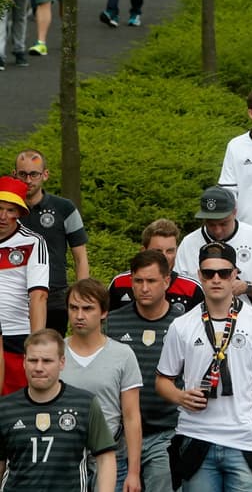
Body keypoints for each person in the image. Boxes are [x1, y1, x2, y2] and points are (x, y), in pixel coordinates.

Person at [155, 242, 252, 491]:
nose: (216, 279)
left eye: (224, 273)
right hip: (196, 436)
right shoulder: (181, 325)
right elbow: (162, 380)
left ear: (235, 274)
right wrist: (181, 396)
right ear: (199, 276)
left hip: (244, 438)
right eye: (208, 273)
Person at [104, 249, 184, 492]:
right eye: (138, 281)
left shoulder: (185, 325)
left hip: (166, 433)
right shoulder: (112, 323)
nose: (144, 288)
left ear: (166, 281)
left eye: (151, 281)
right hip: (119, 436)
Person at [0, 330, 117, 492]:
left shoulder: (84, 404)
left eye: (47, 361)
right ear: (24, 362)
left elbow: (105, 457)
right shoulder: (5, 408)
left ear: (62, 362)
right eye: (33, 360)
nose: (39, 367)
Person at [60, 279, 143, 492]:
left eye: (88, 308)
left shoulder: (123, 355)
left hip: (112, 457)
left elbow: (132, 416)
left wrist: (134, 472)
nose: (79, 316)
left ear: (104, 312)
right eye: (74, 308)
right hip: (63, 460)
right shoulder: (54, 352)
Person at [13, 150, 89, 336]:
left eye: (34, 174)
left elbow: (80, 258)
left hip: (54, 300)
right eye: (23, 174)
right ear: (14, 175)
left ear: (45, 175)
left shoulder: (65, 208)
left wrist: (82, 297)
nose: (28, 180)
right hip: (14, 300)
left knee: (50, 357)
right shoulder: (6, 211)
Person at [0, 176, 49, 394]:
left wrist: (36, 344)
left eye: (10, 210)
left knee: (14, 408)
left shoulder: (33, 242)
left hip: (15, 337)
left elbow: (38, 296)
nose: (3, 216)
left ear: (20, 213)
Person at [107, 219, 204, 314]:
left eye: (170, 251)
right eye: (157, 251)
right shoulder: (119, 283)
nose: (165, 257)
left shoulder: (192, 288)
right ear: (143, 250)